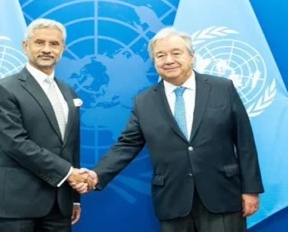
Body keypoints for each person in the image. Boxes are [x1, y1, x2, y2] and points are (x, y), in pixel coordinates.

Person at [73, 27, 264, 232]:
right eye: (160, 55)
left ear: (191, 57)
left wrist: (251, 190)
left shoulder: (222, 88)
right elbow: (126, 146)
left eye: (176, 53)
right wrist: (96, 175)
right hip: (173, 201)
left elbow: (245, 141)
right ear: (154, 62)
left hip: (223, 196)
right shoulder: (144, 101)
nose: (168, 60)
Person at [0, 18, 89, 232]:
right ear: (25, 46)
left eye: (54, 44)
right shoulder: (4, 89)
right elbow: (15, 143)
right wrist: (68, 173)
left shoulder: (68, 92)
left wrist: (74, 198)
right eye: (39, 42)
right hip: (15, 204)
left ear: (63, 49)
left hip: (59, 205)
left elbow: (71, 146)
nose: (47, 49)